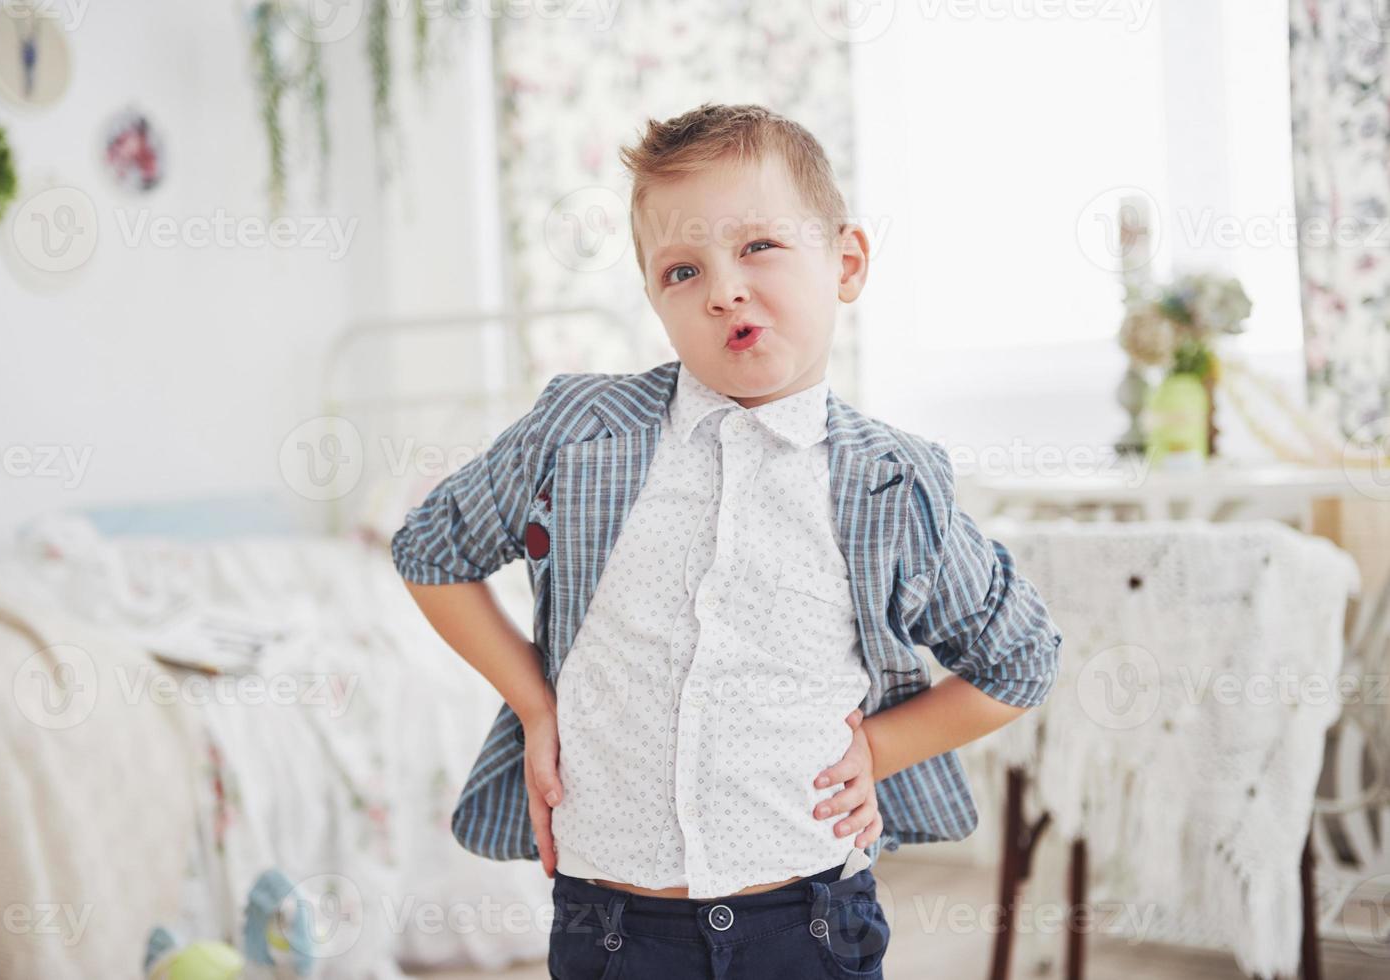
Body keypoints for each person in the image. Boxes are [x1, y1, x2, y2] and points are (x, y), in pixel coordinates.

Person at [394, 102, 1063, 979]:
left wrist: (880, 749)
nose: (720, 288)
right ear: (654, 302)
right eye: (681, 269)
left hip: (808, 914)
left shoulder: (889, 484)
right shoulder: (581, 433)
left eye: (757, 247)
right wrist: (536, 703)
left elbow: (1018, 659)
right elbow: (429, 551)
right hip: (611, 919)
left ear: (846, 262)